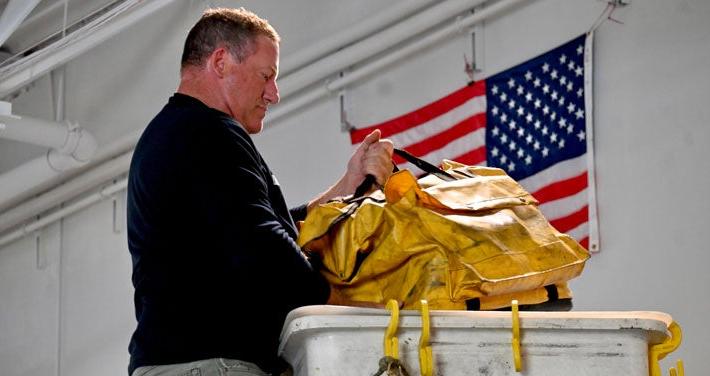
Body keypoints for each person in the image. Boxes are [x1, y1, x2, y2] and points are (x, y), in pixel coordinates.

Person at [126, 7, 393, 376]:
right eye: (266, 76)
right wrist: (348, 311)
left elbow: (269, 230)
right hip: (210, 365)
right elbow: (265, 248)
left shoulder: (178, 134)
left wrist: (349, 185)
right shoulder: (209, 132)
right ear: (221, 62)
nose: (274, 94)